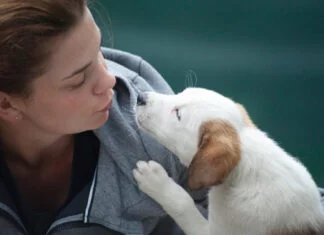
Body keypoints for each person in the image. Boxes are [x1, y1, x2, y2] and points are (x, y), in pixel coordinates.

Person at [0, 1, 208, 234]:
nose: (109, 79)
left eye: (98, 51)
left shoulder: (157, 138)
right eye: (78, 81)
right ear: (6, 104)